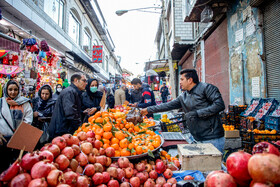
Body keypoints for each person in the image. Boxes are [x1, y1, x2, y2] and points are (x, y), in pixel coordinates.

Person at [141, 69, 225, 153]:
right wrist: (147, 110)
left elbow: (219, 105)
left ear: (190, 80)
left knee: (214, 165)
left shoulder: (207, 88)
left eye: (182, 79)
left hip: (212, 138)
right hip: (196, 137)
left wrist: (197, 113)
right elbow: (167, 105)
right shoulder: (184, 96)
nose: (180, 82)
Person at [0, 80, 33, 172]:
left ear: (19, 90)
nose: (12, 92)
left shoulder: (24, 102)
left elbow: (28, 118)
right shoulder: (1, 102)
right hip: (3, 140)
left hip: (19, 139)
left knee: (18, 165)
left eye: (15, 89)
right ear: (6, 90)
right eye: (10, 89)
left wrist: (21, 133)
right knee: (3, 165)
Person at [48, 73, 87, 139]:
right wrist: (80, 126)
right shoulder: (69, 92)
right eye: (84, 81)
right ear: (76, 80)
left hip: (64, 128)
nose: (86, 83)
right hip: (62, 130)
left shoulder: (74, 92)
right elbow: (70, 112)